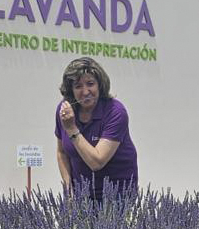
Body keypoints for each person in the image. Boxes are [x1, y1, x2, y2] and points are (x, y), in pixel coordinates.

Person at [54, 57, 138, 200]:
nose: (85, 91)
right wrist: (68, 191)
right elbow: (61, 152)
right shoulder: (65, 111)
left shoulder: (115, 111)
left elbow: (97, 162)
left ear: (100, 85)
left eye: (90, 84)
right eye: (78, 86)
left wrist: (72, 129)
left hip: (117, 195)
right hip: (81, 194)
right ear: (71, 90)